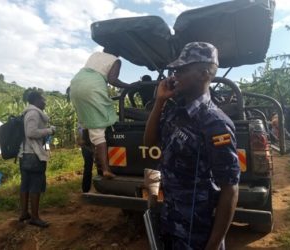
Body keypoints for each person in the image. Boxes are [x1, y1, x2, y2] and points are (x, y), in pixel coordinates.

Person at [144, 42, 240, 249]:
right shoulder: (176, 111)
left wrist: (213, 246)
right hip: (171, 220)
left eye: (182, 70)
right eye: (174, 70)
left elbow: (230, 189)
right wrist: (159, 102)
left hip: (198, 232)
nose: (174, 75)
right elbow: (150, 142)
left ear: (204, 74)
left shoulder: (216, 124)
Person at [69, 50, 129, 179]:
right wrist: (129, 86)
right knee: (99, 128)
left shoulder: (95, 54)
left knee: (88, 118)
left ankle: (87, 141)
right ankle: (106, 169)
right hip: (92, 87)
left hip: (76, 85)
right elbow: (112, 80)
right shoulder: (116, 60)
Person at [18, 91, 56, 228]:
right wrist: (49, 131)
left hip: (25, 155)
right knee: (35, 185)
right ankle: (34, 217)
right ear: (36, 100)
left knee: (25, 184)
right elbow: (31, 132)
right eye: (43, 99)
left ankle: (24, 213)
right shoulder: (33, 113)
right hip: (33, 155)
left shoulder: (27, 113)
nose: (45, 102)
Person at [76, 124, 95, 192]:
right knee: (88, 166)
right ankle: (86, 189)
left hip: (94, 143)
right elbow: (80, 131)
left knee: (91, 166)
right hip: (88, 145)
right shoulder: (83, 119)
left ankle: (87, 189)